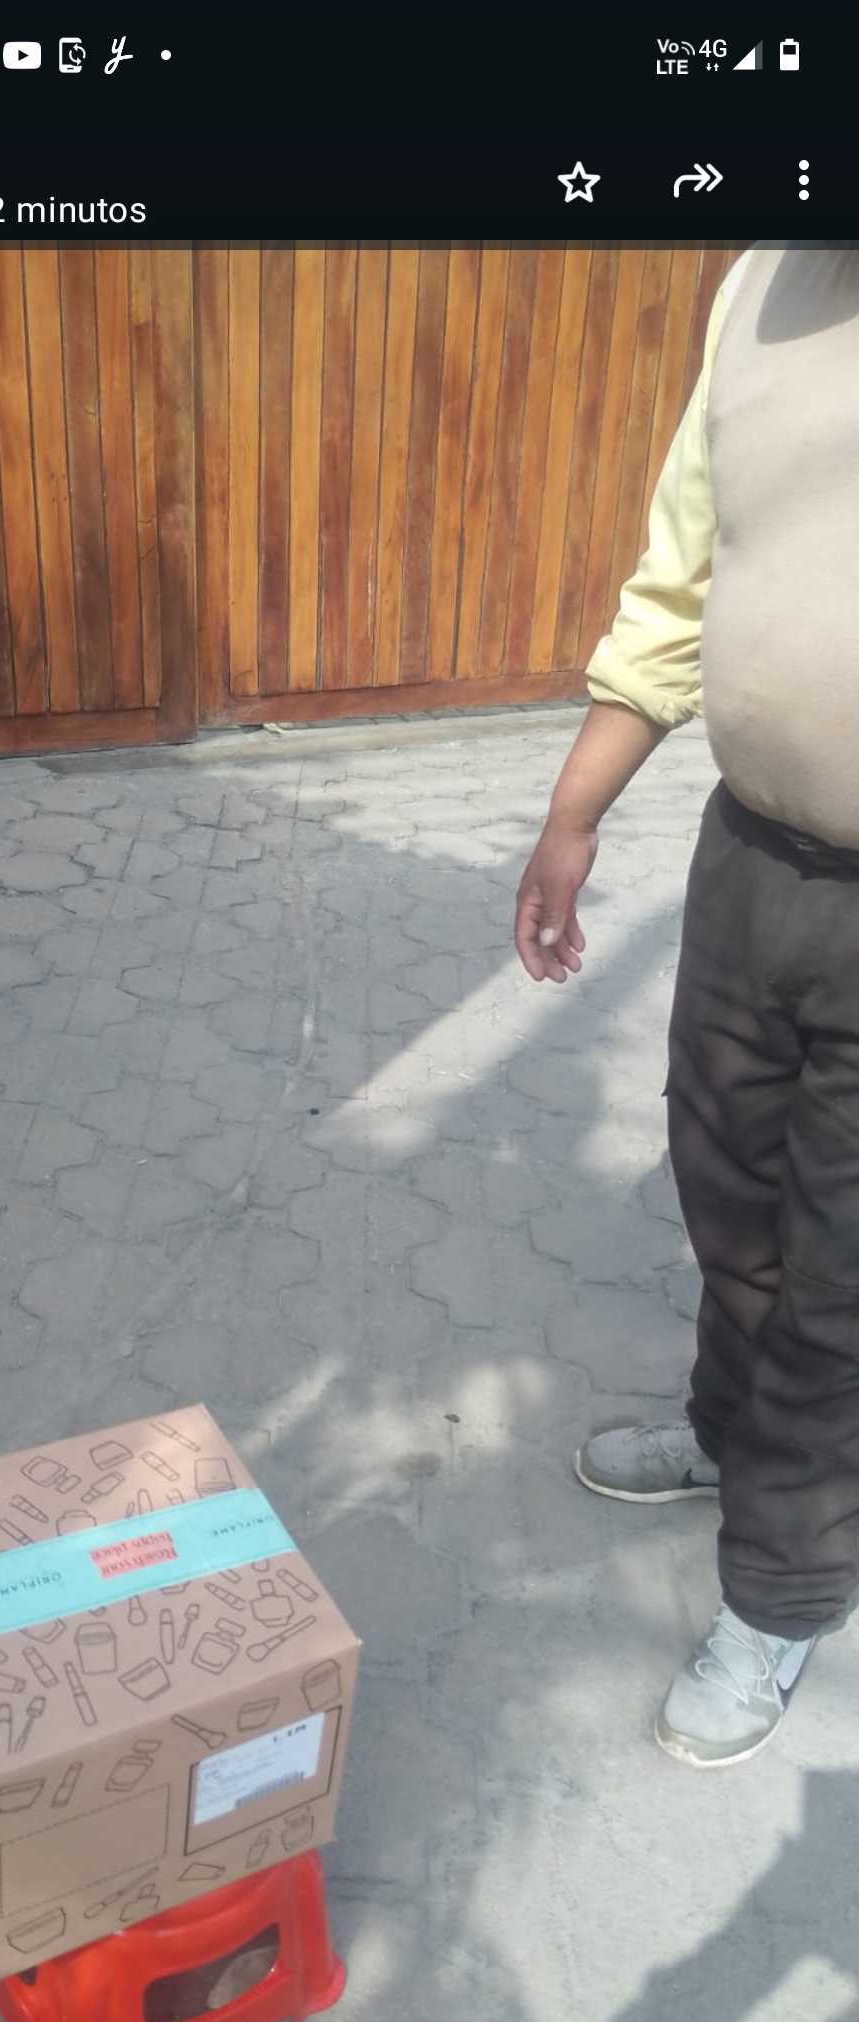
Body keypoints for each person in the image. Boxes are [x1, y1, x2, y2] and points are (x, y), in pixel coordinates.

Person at [514, 246, 859, 1770]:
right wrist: (572, 816)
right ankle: (730, 1439)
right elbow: (680, 577)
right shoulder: (760, 284)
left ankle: (784, 1593)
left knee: (844, 1283)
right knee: (728, 1200)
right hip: (751, 862)